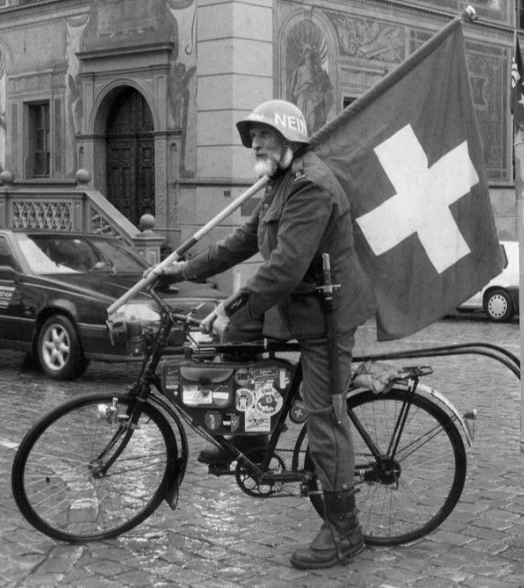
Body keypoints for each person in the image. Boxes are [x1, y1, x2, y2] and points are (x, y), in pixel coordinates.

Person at [150, 99, 375, 569]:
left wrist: (228, 304)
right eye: (252, 135)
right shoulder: (279, 183)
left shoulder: (310, 187)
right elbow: (241, 242)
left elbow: (284, 268)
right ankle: (250, 438)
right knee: (238, 337)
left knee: (324, 421)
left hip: (326, 320)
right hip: (299, 307)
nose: (255, 143)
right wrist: (182, 271)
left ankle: (344, 532)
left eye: (263, 135)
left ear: (289, 138)